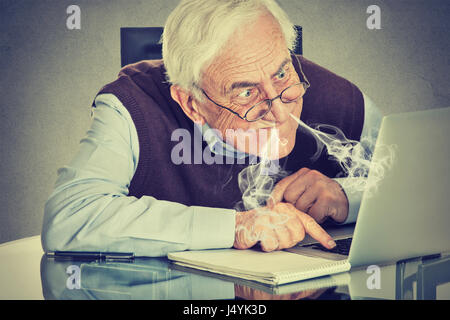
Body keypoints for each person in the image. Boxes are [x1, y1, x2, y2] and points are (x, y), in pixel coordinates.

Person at [41, 0, 382, 257]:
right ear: (191, 103)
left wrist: (348, 195)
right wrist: (235, 227)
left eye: (281, 73)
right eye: (246, 92)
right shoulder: (132, 105)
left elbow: (425, 187)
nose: (279, 110)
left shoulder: (336, 96)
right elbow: (70, 217)